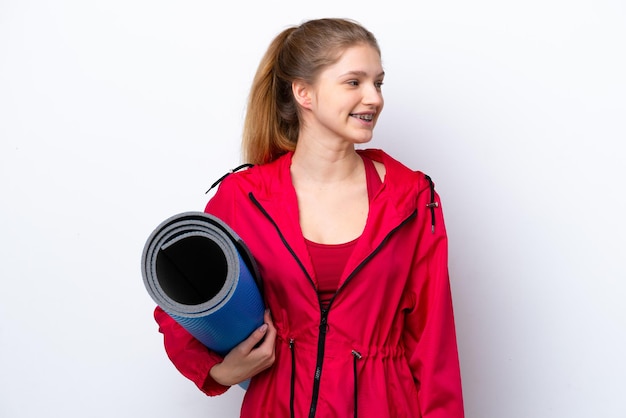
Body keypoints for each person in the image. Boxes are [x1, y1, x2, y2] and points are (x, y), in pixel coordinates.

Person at [153, 17, 464, 417]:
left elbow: (433, 343)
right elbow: (179, 304)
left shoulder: (411, 199)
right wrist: (221, 371)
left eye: (378, 83)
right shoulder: (244, 198)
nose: (374, 98)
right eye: (354, 82)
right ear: (304, 93)